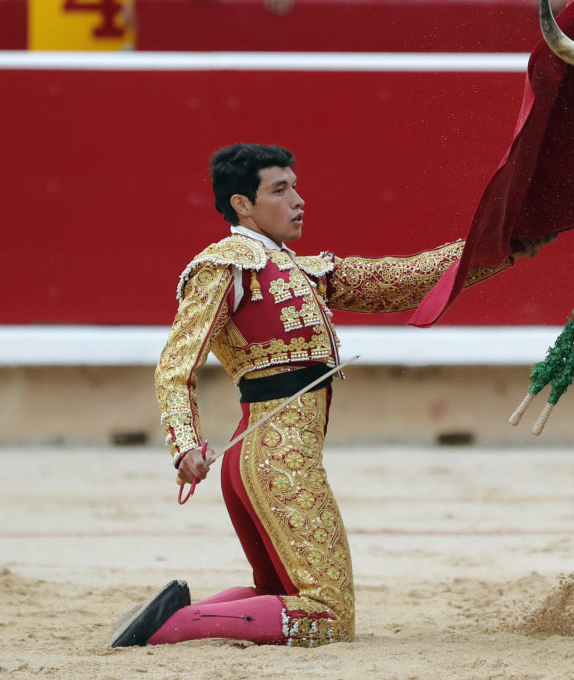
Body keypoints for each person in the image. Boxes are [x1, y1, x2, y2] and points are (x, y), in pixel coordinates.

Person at [108, 144, 550, 648]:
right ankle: (172, 627)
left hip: (265, 457)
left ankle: (178, 614)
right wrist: (185, 442)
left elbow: (401, 280)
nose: (298, 200)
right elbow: (176, 363)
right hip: (276, 459)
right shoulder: (224, 266)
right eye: (280, 190)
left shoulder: (301, 270)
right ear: (242, 205)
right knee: (327, 616)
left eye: (296, 186)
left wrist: (503, 244)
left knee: (279, 591)